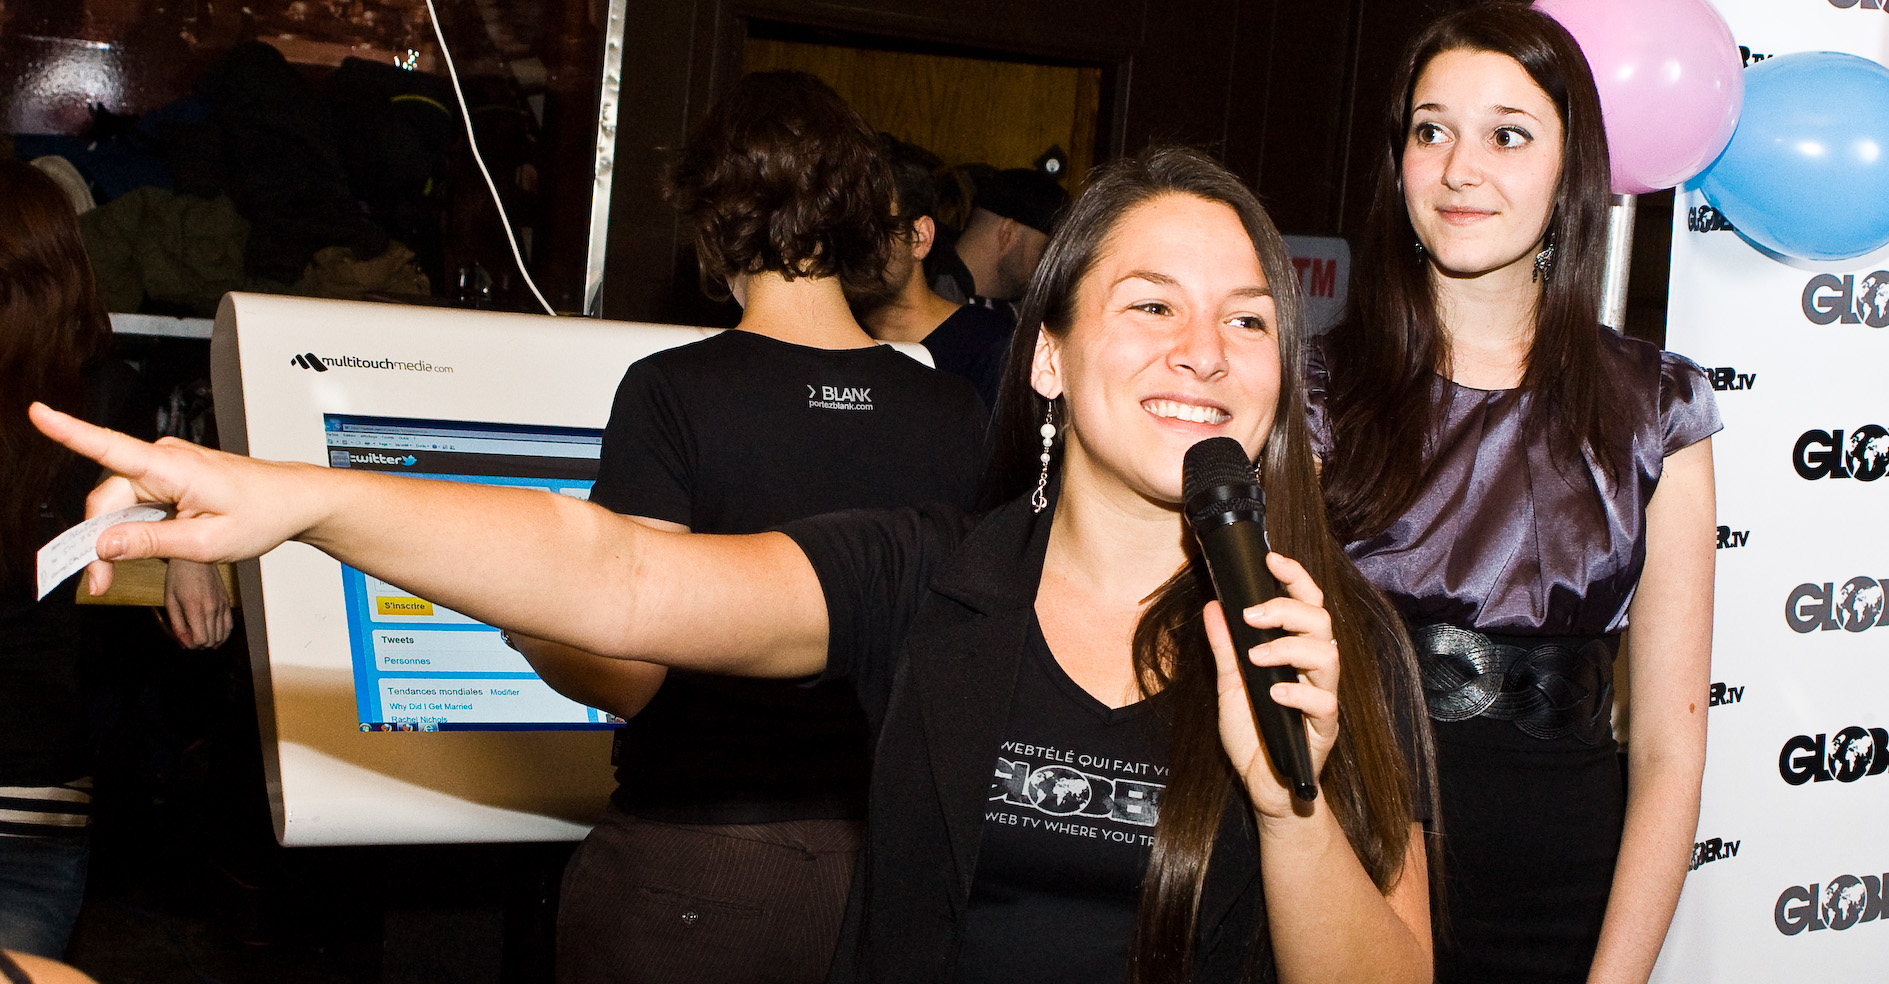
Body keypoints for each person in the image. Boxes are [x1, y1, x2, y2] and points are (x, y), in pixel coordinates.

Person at [32, 147, 1438, 984]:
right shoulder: (928, 578)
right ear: (1052, 356)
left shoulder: (1328, 639)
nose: (1206, 352)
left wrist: (1290, 804)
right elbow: (619, 578)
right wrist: (298, 498)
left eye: (1249, 322)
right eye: (1153, 306)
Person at [511, 71, 987, 984]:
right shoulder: (953, 408)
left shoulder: (673, 391)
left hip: (701, 861)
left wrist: (529, 619)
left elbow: (628, 671)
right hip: (892, 870)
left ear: (712, 213)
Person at [1309, 7, 1718, 983]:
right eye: (1429, 129)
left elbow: (1669, 748)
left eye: (1506, 133)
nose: (1458, 167)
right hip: (1344, 855)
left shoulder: (1656, 409)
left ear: (1568, 168)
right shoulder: (1305, 391)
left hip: (1564, 888)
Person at [0, 160, 230, 959]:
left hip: (29, 801)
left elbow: (162, 483)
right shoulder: (106, 397)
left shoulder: (103, 401)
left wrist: (186, 530)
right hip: (34, 794)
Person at [859, 136, 1017, 408]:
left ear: (919, 238)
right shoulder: (824, 341)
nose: (852, 240)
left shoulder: (990, 348)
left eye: (872, 224)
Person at [929, 167, 1068, 319]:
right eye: (1045, 251)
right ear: (1007, 233)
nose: (1050, 270)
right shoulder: (925, 292)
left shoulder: (1013, 314)